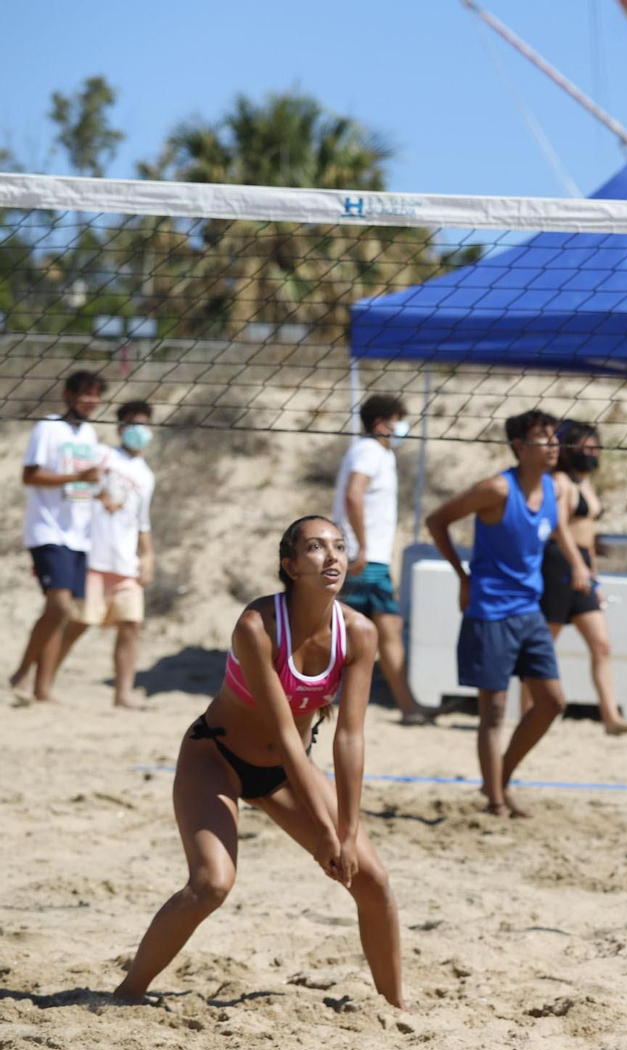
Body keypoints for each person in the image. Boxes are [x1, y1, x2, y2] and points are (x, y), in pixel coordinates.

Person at [114, 516, 404, 1008]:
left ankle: (396, 1007)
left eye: (338, 546)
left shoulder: (359, 633)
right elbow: (284, 737)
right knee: (212, 884)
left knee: (371, 879)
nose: (331, 557)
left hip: (285, 774)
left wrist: (348, 833)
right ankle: (127, 991)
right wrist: (327, 833)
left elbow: (350, 739)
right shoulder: (257, 625)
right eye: (315, 548)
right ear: (290, 566)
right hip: (217, 758)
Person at [426, 408, 589, 817]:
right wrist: (461, 576)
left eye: (555, 437)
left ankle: (498, 778)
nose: (553, 445)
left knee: (552, 702)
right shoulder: (496, 490)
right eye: (543, 438)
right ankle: (496, 799)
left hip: (529, 609)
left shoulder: (552, 488)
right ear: (520, 446)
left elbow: (559, 529)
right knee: (494, 710)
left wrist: (579, 564)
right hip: (490, 610)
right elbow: (436, 520)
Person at [333, 394, 432, 725]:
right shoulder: (369, 451)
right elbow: (353, 494)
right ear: (381, 422)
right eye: (397, 419)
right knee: (345, 635)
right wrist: (359, 546)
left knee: (388, 628)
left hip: (371, 558)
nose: (402, 427)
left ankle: (410, 707)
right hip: (363, 559)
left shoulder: (378, 453)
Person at [11, 370, 106, 703]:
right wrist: (78, 475)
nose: (92, 400)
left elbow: (84, 482)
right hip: (48, 530)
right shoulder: (48, 426)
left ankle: (42, 688)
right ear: (68, 394)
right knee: (60, 606)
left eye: (96, 395)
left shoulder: (90, 434)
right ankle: (21, 673)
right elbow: (30, 475)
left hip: (80, 535)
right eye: (86, 394)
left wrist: (101, 493)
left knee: (66, 613)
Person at [543, 421, 627, 735]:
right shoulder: (560, 481)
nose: (593, 453)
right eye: (587, 448)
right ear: (570, 451)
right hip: (560, 565)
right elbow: (558, 528)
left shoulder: (584, 482)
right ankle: (534, 713)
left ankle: (610, 717)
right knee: (544, 647)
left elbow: (587, 536)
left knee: (601, 645)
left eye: (596, 447)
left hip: (582, 565)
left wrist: (592, 575)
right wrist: (576, 565)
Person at [59, 401, 157, 709]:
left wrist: (148, 555)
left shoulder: (147, 475)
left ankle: (123, 694)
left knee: (131, 625)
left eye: (143, 424)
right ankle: (44, 676)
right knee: (78, 623)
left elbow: (142, 521)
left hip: (125, 562)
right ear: (119, 428)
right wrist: (99, 493)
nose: (138, 431)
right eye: (131, 424)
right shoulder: (103, 454)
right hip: (93, 558)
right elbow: (72, 480)